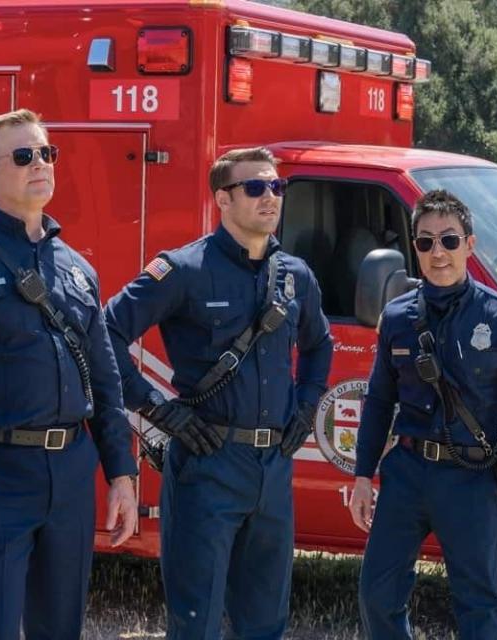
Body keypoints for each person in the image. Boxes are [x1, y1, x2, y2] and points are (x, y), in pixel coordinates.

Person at [0, 108, 138, 640]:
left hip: (71, 470)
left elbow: (104, 381)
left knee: (61, 628)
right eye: (23, 155)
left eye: (46, 153)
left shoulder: (78, 269)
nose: (40, 164)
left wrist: (122, 475)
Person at [104, 146, 333, 639]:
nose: (270, 197)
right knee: (196, 621)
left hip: (273, 469)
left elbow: (320, 345)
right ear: (222, 201)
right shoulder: (184, 270)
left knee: (265, 621)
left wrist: (308, 405)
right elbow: (106, 334)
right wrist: (157, 409)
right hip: (207, 465)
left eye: (277, 187)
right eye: (255, 187)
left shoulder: (295, 276)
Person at [349, 189, 497, 640]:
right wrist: (363, 475)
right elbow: (380, 399)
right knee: (377, 594)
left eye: (449, 240)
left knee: (479, 602)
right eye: (425, 242)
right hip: (406, 472)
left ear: (470, 245)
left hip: (470, 477)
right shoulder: (398, 316)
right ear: (414, 248)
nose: (437, 252)